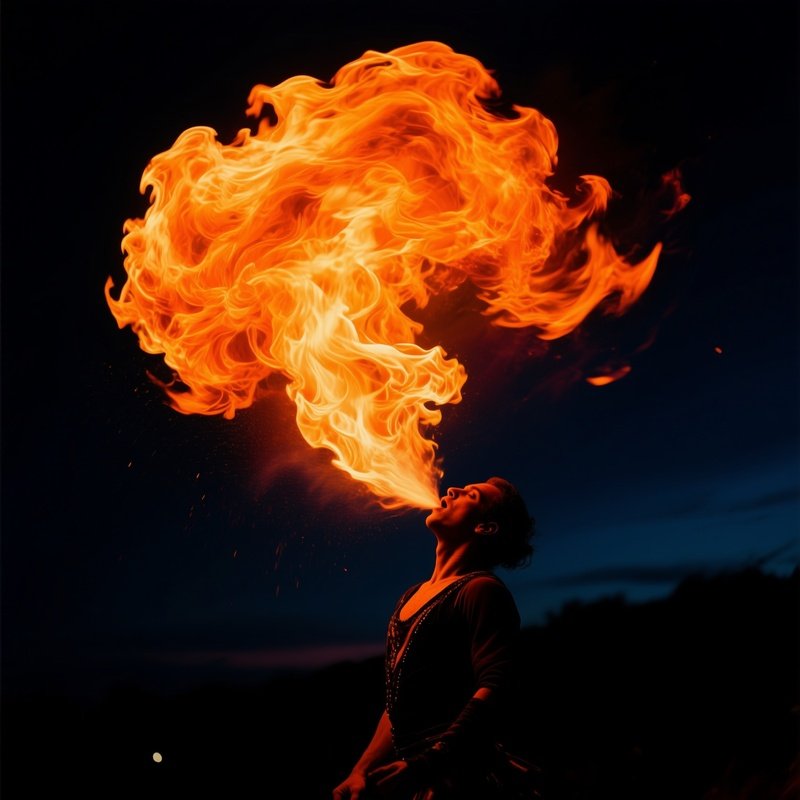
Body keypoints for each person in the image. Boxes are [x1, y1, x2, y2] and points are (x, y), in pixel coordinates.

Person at [332, 477, 537, 800]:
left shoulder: (480, 590)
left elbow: (497, 687)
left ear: (485, 528)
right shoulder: (410, 596)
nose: (452, 490)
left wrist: (431, 762)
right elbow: (397, 706)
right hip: (415, 779)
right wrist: (360, 770)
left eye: (471, 495)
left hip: (460, 782)